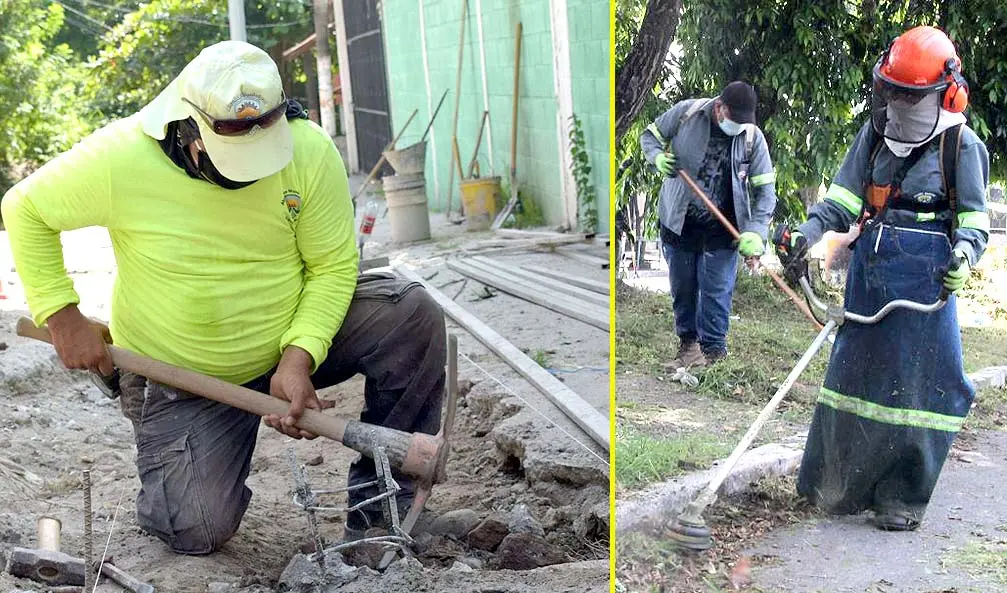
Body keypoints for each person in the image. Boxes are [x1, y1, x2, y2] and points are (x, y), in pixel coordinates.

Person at [0, 40, 446, 554]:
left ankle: (382, 515)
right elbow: (24, 207)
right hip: (182, 374)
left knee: (409, 312)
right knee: (195, 529)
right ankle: (175, 454)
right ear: (190, 130)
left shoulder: (309, 149)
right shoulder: (120, 157)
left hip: (288, 336)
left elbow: (331, 266)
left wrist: (299, 355)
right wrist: (62, 316)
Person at [774, 26, 989, 531]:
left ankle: (902, 498)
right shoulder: (874, 134)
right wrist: (807, 233)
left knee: (923, 388)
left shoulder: (961, 146)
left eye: (911, 96)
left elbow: (974, 221)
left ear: (948, 95)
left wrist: (963, 255)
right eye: (893, 92)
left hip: (927, 283)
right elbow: (841, 202)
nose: (899, 105)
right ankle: (836, 487)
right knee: (853, 379)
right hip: (870, 275)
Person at [640, 81, 778, 368]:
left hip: (723, 227)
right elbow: (649, 136)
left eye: (743, 121)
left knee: (717, 290)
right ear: (719, 108)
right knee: (683, 288)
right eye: (733, 118)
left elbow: (765, 192)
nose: (738, 126)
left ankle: (714, 354)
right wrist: (657, 158)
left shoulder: (752, 138)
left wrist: (756, 232)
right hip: (680, 221)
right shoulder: (686, 113)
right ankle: (689, 347)